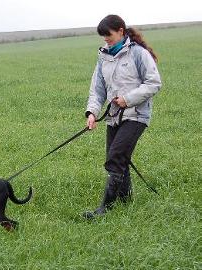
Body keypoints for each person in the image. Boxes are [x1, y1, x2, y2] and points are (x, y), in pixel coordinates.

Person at [83, 15, 162, 219]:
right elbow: (98, 89)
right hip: (114, 116)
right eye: (102, 37)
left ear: (120, 30)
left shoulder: (138, 54)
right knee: (120, 159)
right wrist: (92, 112)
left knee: (115, 157)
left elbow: (154, 83)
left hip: (136, 115)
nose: (105, 40)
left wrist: (127, 99)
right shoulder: (103, 57)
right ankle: (126, 202)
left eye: (108, 35)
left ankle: (104, 209)